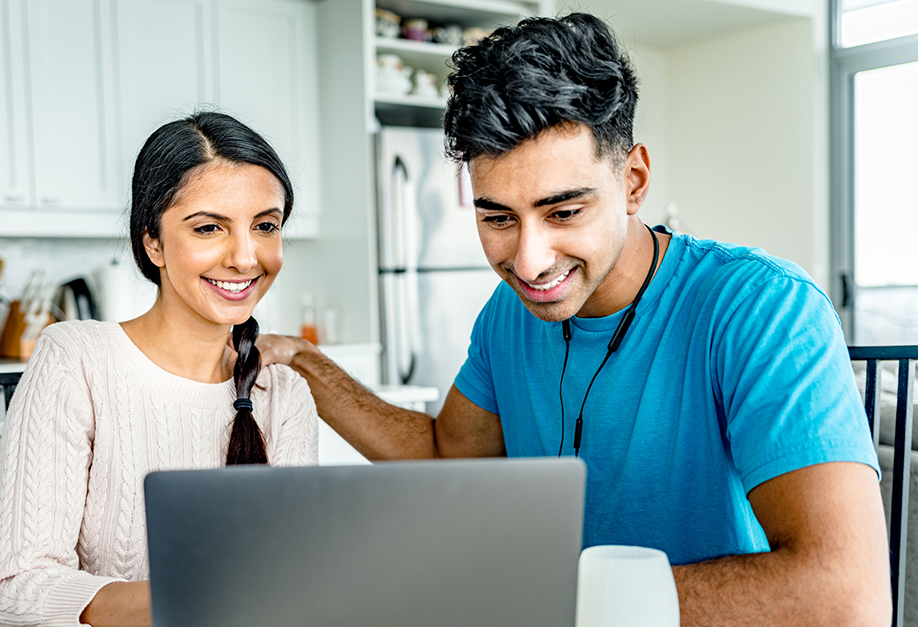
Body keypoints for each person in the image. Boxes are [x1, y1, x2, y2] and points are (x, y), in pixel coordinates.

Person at [258, 13, 891, 627]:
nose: (529, 262)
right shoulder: (507, 317)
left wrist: (559, 597)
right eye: (498, 218)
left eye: (562, 212)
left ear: (634, 180)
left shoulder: (762, 308)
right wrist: (303, 363)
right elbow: (447, 453)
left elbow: (845, 598)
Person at [0, 112, 319, 627]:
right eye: (209, 228)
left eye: (266, 226)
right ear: (152, 242)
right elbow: (15, 592)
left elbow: (292, 586)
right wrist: (197, 599)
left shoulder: (284, 393)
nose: (246, 257)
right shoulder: (77, 359)